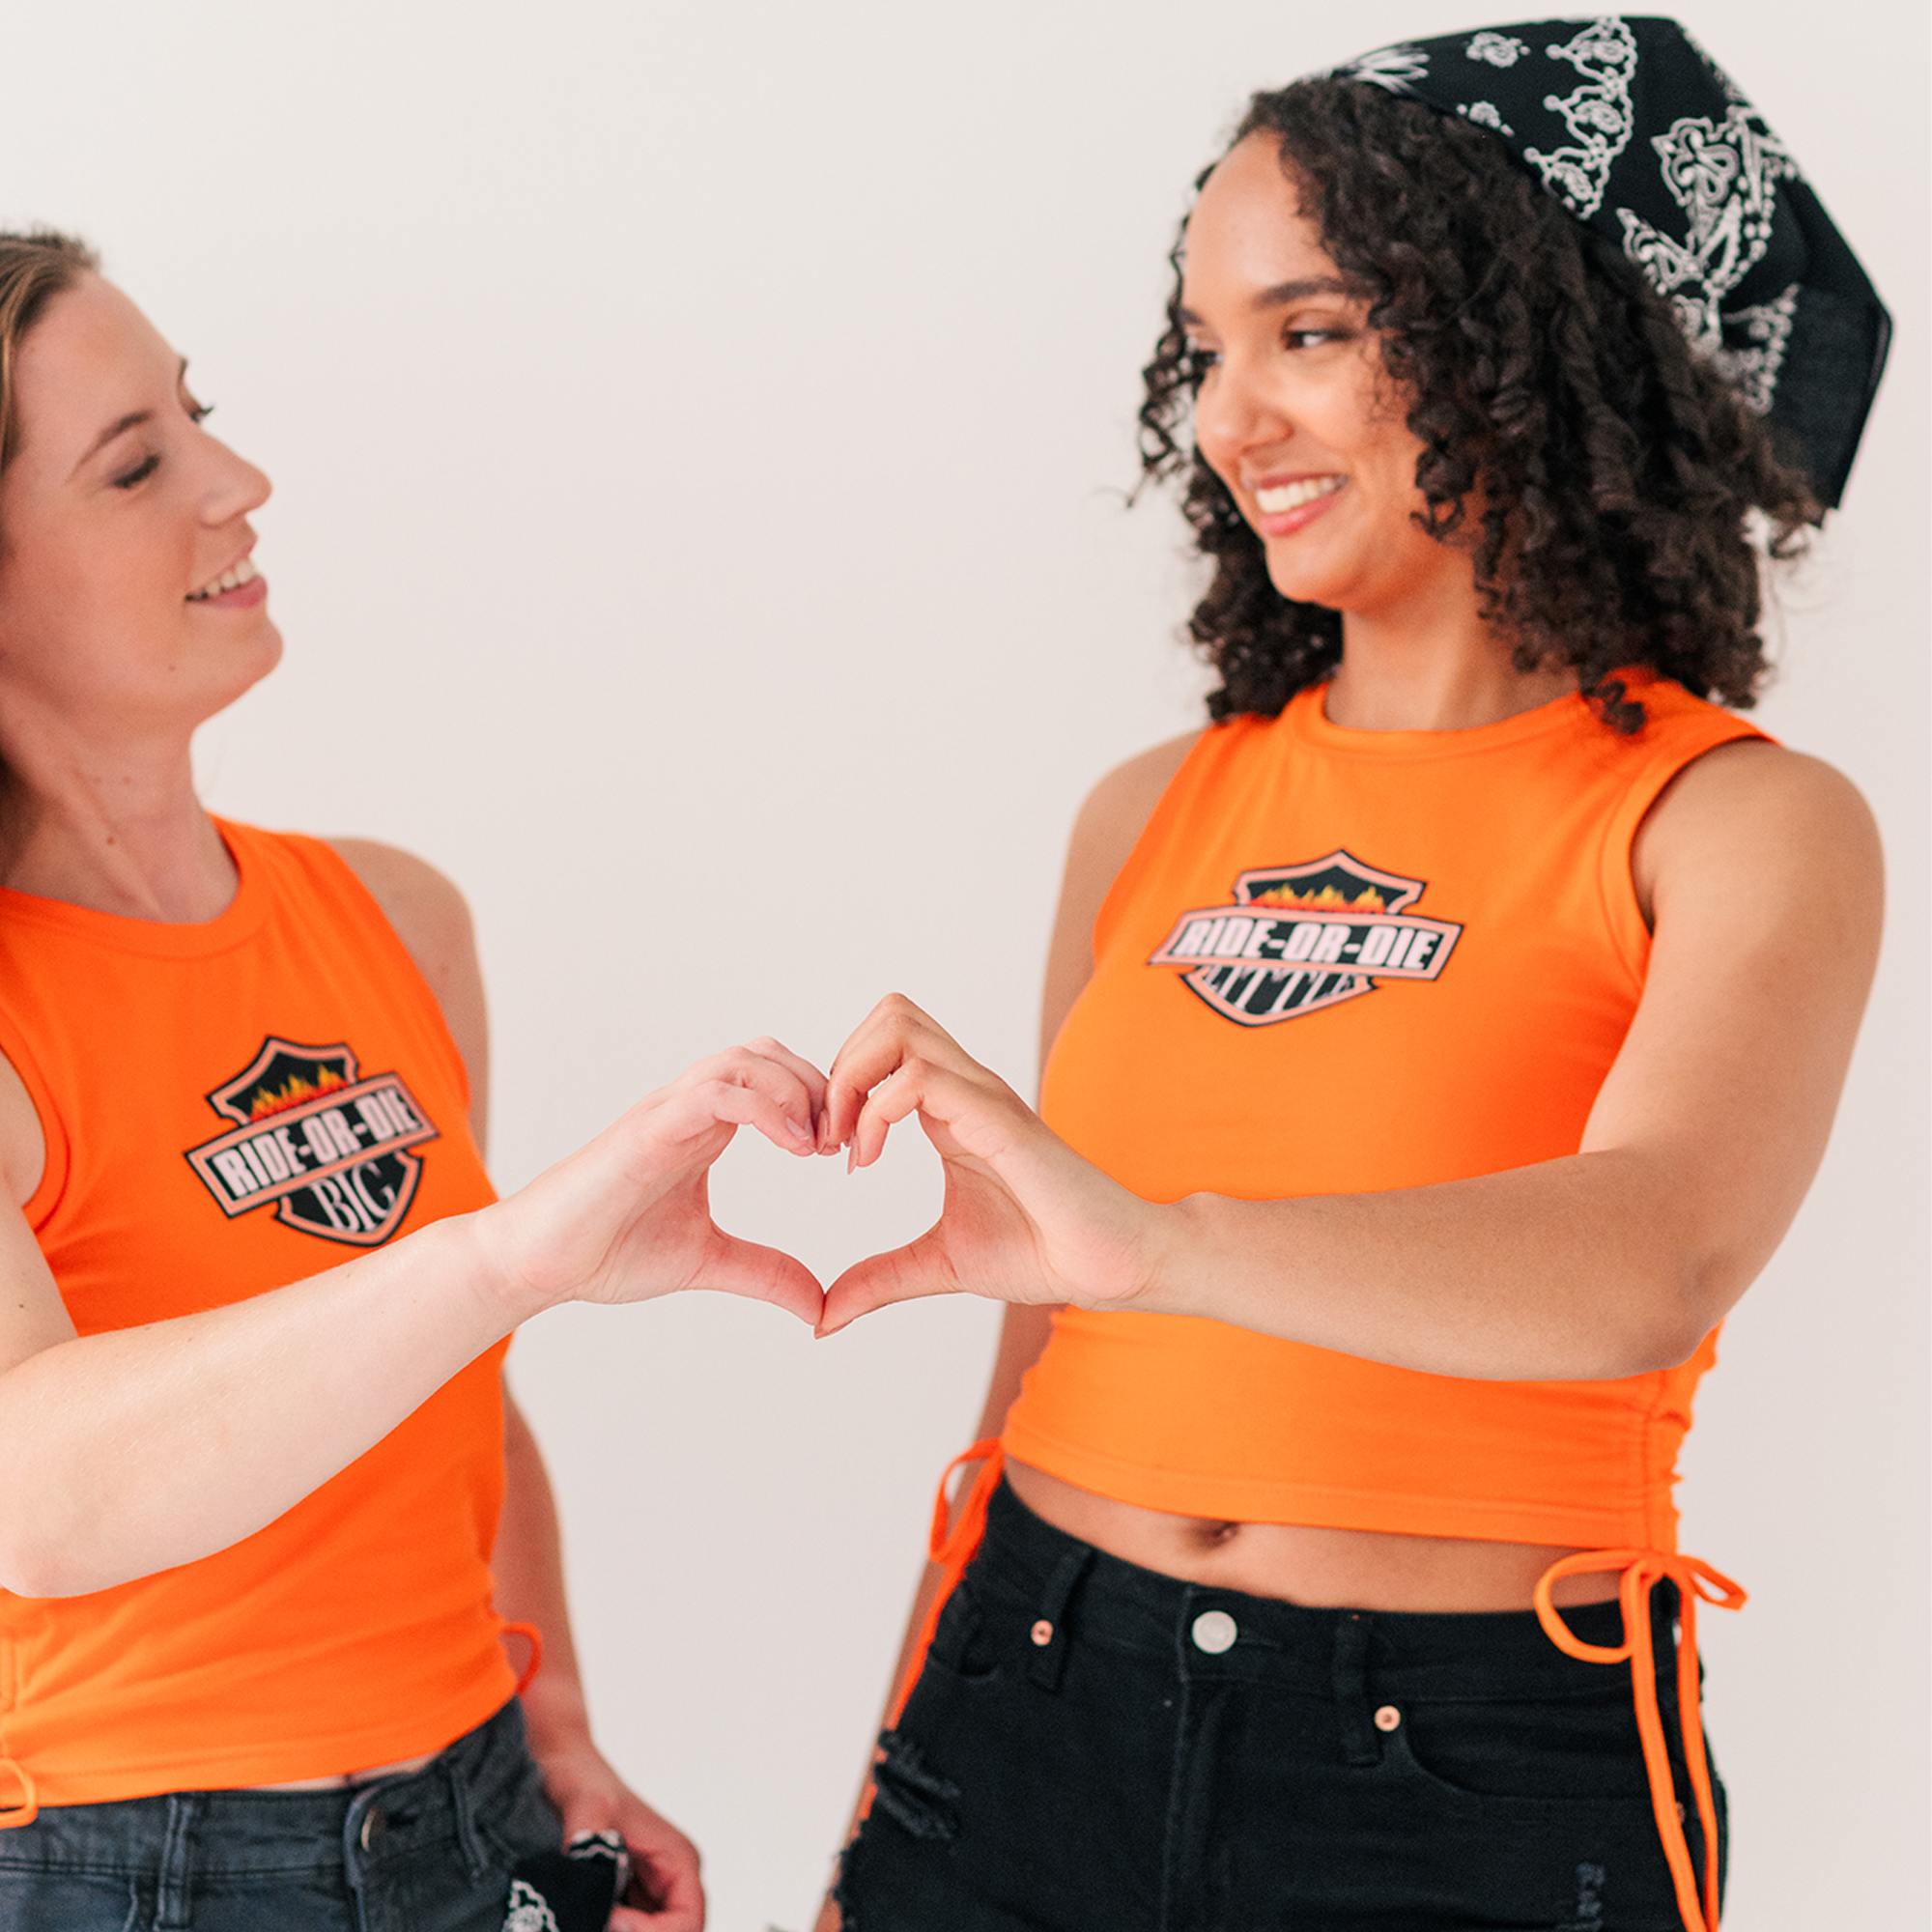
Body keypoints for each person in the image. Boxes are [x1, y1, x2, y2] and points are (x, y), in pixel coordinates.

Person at [815, 21, 1888, 1932]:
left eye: (1306, 332)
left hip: (1460, 1762)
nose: (1233, 421)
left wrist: (1165, 1240)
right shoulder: (1148, 807)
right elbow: (1031, 1327)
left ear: (1528, 334)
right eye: (1205, 350)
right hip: (1029, 1681)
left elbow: (1653, 1256)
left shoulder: (1729, 822)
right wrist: (899, 1764)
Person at [0, 232, 832, 1932]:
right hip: (128, 1865)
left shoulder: (390, 914)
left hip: (470, 1809)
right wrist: (511, 1254)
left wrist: (559, 1727)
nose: (240, 483)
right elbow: (40, 1495)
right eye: (137, 463)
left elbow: (450, 1377)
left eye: (198, 416)